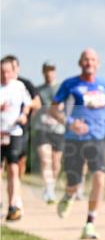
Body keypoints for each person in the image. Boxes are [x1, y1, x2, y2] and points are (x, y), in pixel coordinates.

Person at [50, 48, 105, 240]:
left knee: (100, 178)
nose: (89, 63)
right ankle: (69, 195)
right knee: (74, 183)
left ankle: (90, 223)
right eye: (86, 59)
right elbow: (54, 109)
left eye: (93, 59)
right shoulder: (70, 84)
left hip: (97, 138)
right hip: (74, 140)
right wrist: (70, 123)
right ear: (80, 63)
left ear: (98, 63)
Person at [1, 56, 33, 220]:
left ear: (12, 72)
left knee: (13, 168)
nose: (5, 75)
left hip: (14, 132)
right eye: (2, 72)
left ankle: (13, 205)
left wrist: (24, 115)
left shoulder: (19, 86)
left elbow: (28, 103)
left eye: (7, 72)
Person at [2, 55, 42, 179]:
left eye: (14, 68)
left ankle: (17, 184)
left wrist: (25, 110)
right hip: (3, 128)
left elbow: (37, 103)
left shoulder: (24, 84)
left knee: (18, 161)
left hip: (20, 128)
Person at [36, 61, 65, 204]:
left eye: (51, 70)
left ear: (55, 72)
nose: (49, 73)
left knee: (56, 162)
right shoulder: (38, 90)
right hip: (42, 128)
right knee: (44, 158)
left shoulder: (61, 88)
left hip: (58, 129)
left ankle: (51, 185)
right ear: (43, 72)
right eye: (47, 70)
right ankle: (48, 188)